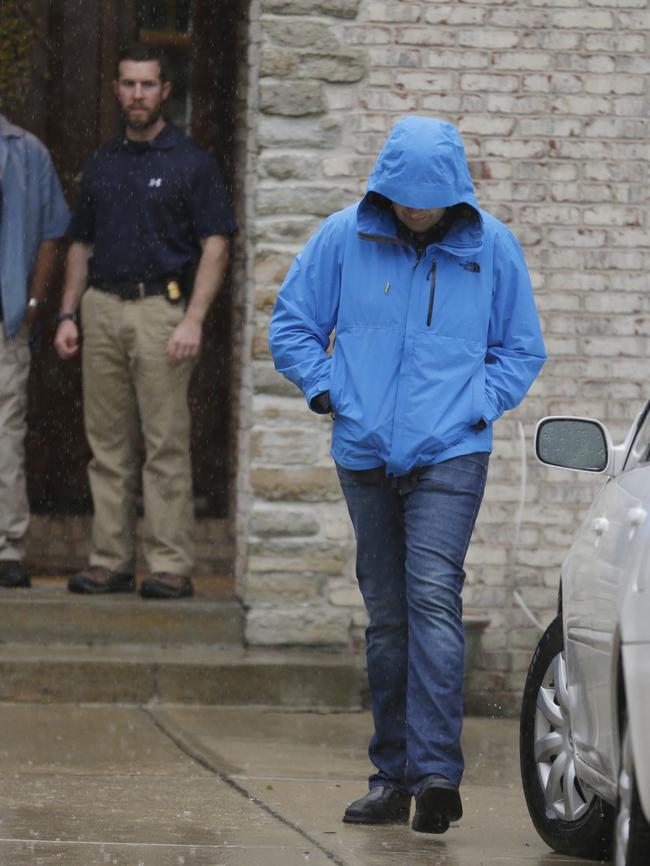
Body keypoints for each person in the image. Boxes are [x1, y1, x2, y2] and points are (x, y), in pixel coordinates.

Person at [269, 116, 546, 834]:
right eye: (404, 198)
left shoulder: (493, 248)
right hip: (363, 455)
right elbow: (292, 324)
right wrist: (330, 391)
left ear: (456, 193)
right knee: (388, 622)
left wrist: (473, 406)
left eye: (430, 199)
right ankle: (391, 776)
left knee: (431, 599)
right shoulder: (343, 238)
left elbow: (520, 350)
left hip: (452, 452)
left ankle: (436, 775)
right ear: (384, 188)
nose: (416, 211)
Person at [54, 44, 236, 600]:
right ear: (117, 89)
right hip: (101, 309)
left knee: (165, 446)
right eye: (129, 84)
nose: (137, 94)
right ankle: (108, 562)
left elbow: (216, 245)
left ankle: (169, 567)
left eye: (147, 85)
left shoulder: (192, 163)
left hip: (163, 311)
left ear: (165, 91)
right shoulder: (102, 164)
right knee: (106, 447)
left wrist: (194, 319)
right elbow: (81, 245)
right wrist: (67, 312)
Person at [0, 113, 69, 589]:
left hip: (4, 323)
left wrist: (30, 304)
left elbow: (51, 230)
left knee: (5, 433)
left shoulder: (26, 151)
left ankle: (7, 546)